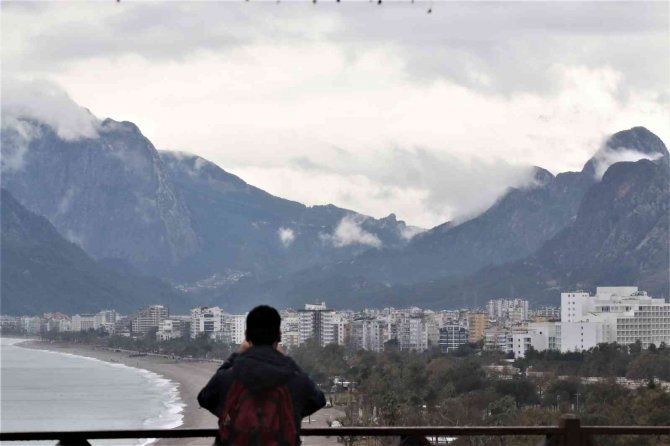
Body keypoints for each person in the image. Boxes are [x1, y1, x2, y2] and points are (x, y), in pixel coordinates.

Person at [198, 305, 326, 445]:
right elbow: (319, 400)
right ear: (279, 335)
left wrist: (236, 355)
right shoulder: (294, 378)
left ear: (246, 335)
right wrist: (294, 415)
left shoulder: (229, 376)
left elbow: (205, 398)